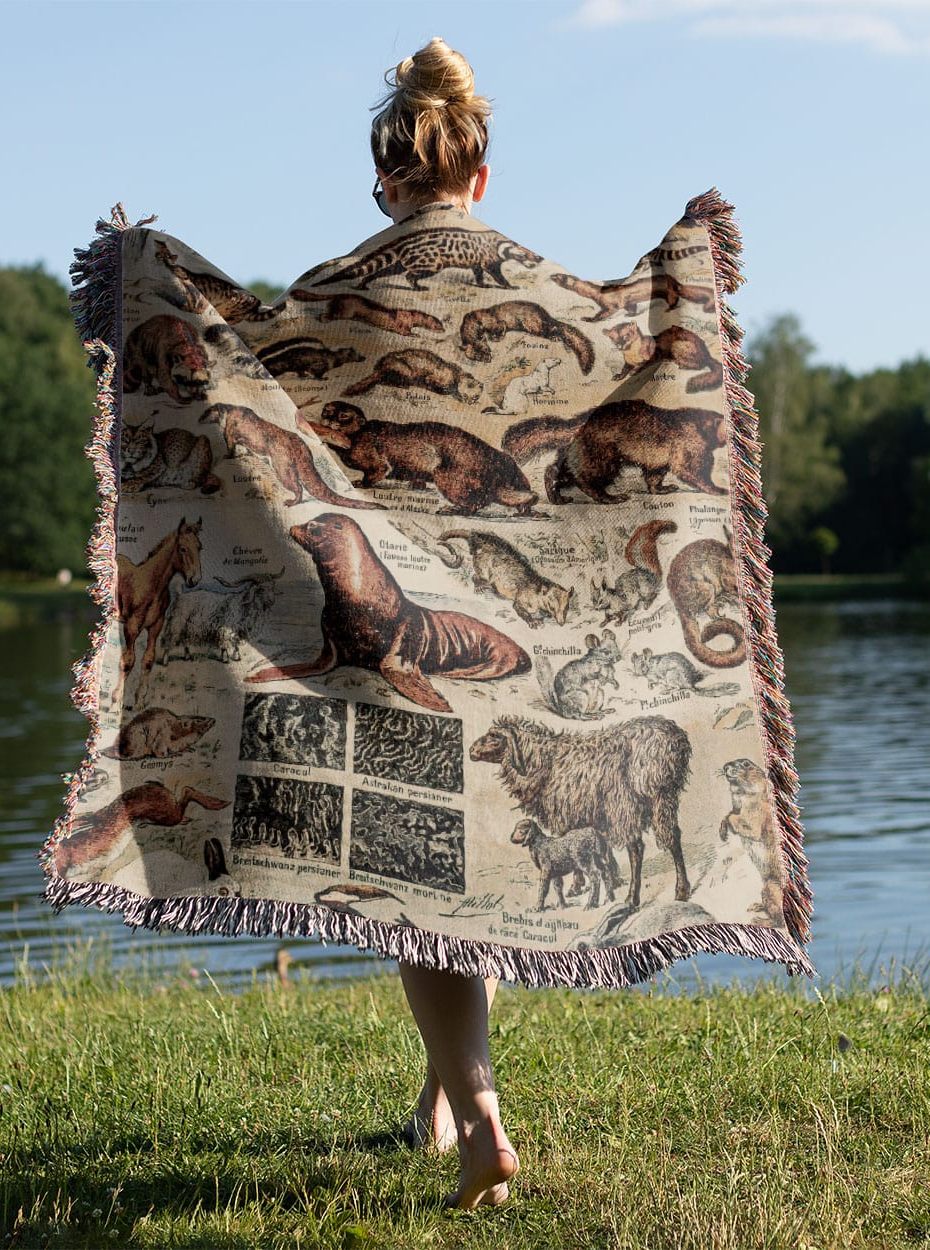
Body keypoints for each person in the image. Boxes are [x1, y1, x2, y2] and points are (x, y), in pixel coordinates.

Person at [367, 37, 519, 1211]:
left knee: (418, 877)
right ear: (478, 172)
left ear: (386, 181)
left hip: (397, 630)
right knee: (471, 869)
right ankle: (435, 1097)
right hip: (506, 626)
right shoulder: (530, 289)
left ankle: (479, 1118)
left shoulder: (344, 289)